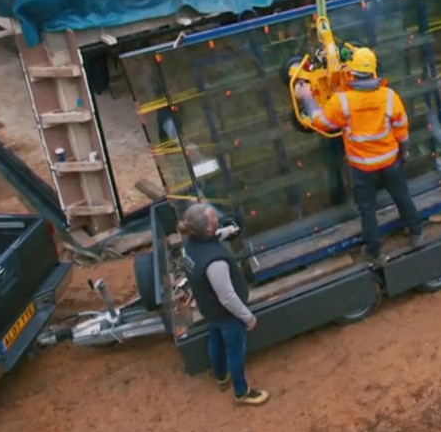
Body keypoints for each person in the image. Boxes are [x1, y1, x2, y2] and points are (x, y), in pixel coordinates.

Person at [294, 47, 424, 266]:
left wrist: (308, 99)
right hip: (390, 161)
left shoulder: (342, 101)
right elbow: (402, 128)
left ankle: (374, 250)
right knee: (402, 197)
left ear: (351, 73)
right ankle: (417, 232)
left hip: (362, 167)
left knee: (367, 210)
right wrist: (405, 150)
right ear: (373, 70)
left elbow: (322, 122)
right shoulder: (389, 97)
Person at [181, 202, 269, 406]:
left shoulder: (191, 243)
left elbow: (210, 239)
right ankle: (242, 392)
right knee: (235, 351)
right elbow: (227, 297)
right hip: (227, 314)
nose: (217, 220)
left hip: (209, 309)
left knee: (215, 341)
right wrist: (248, 317)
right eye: (214, 220)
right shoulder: (215, 263)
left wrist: (228, 231)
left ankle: (221, 376)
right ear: (208, 228)